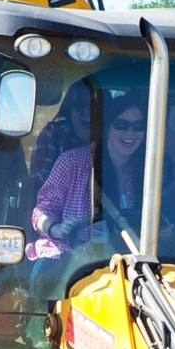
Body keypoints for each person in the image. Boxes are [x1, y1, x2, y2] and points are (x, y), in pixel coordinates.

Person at [29, 95, 147, 260]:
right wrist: (57, 229)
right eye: (121, 125)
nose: (130, 133)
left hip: (126, 263)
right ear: (106, 129)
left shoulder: (149, 172)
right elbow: (41, 212)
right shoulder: (71, 162)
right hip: (66, 258)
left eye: (138, 126)